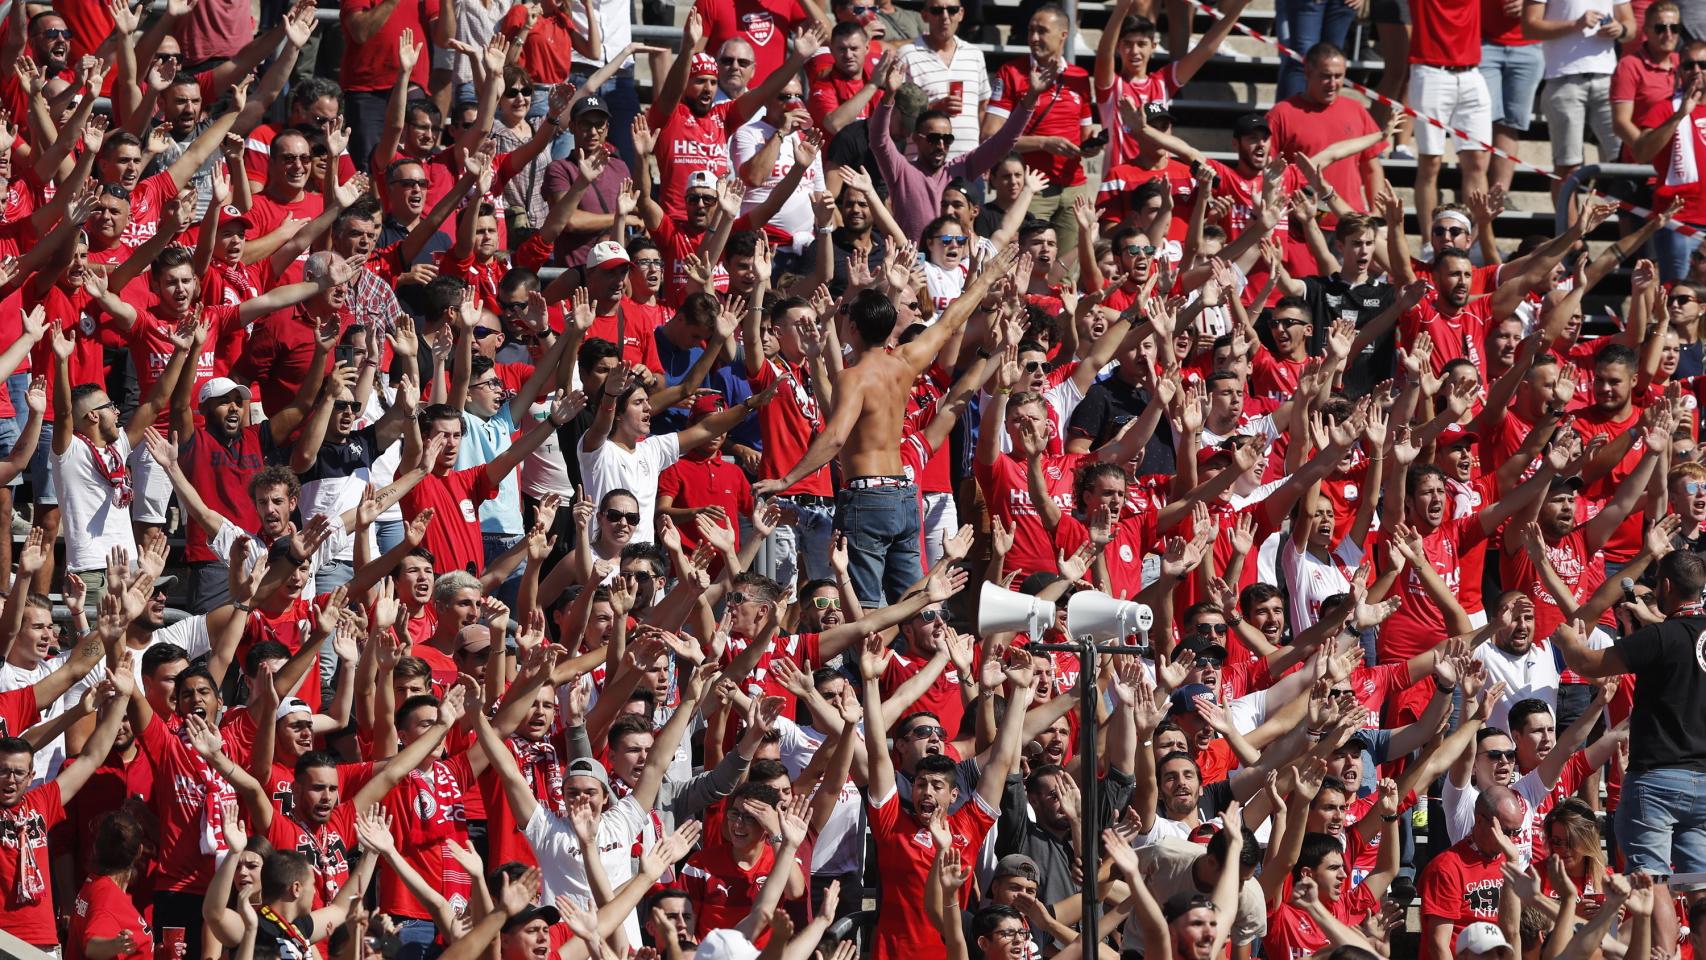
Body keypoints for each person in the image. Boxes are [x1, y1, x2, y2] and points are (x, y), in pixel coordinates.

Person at [754, 247, 1014, 603]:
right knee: (910, 600)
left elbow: (834, 438)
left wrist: (786, 480)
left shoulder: (853, 378)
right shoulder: (905, 362)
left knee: (865, 604)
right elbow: (950, 320)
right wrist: (986, 278)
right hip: (904, 496)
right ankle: (906, 658)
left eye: (846, 315)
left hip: (867, 497)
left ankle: (868, 661)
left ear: (854, 328)